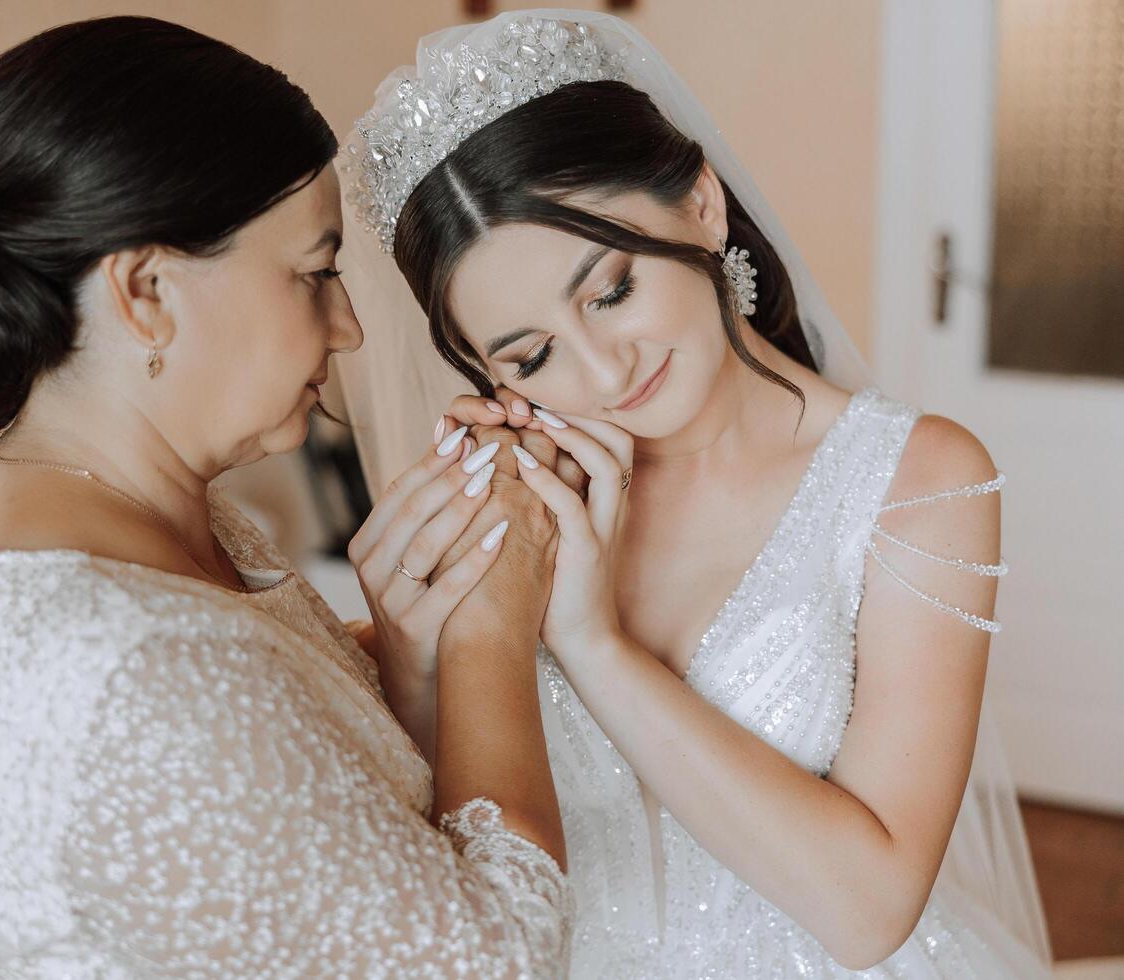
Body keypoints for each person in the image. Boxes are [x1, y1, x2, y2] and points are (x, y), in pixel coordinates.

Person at [337, 9, 1054, 977]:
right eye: (533, 353)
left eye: (613, 289)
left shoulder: (916, 481)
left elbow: (870, 908)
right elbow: (467, 835)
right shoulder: (513, 506)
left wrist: (595, 643)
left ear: (703, 205)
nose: (600, 367)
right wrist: (417, 663)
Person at [0, 17, 573, 976]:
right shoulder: (133, 667)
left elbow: (277, 780)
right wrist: (492, 632)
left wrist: (400, 656)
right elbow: (497, 956)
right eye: (317, 273)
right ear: (147, 290)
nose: (350, 327)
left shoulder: (65, 492)